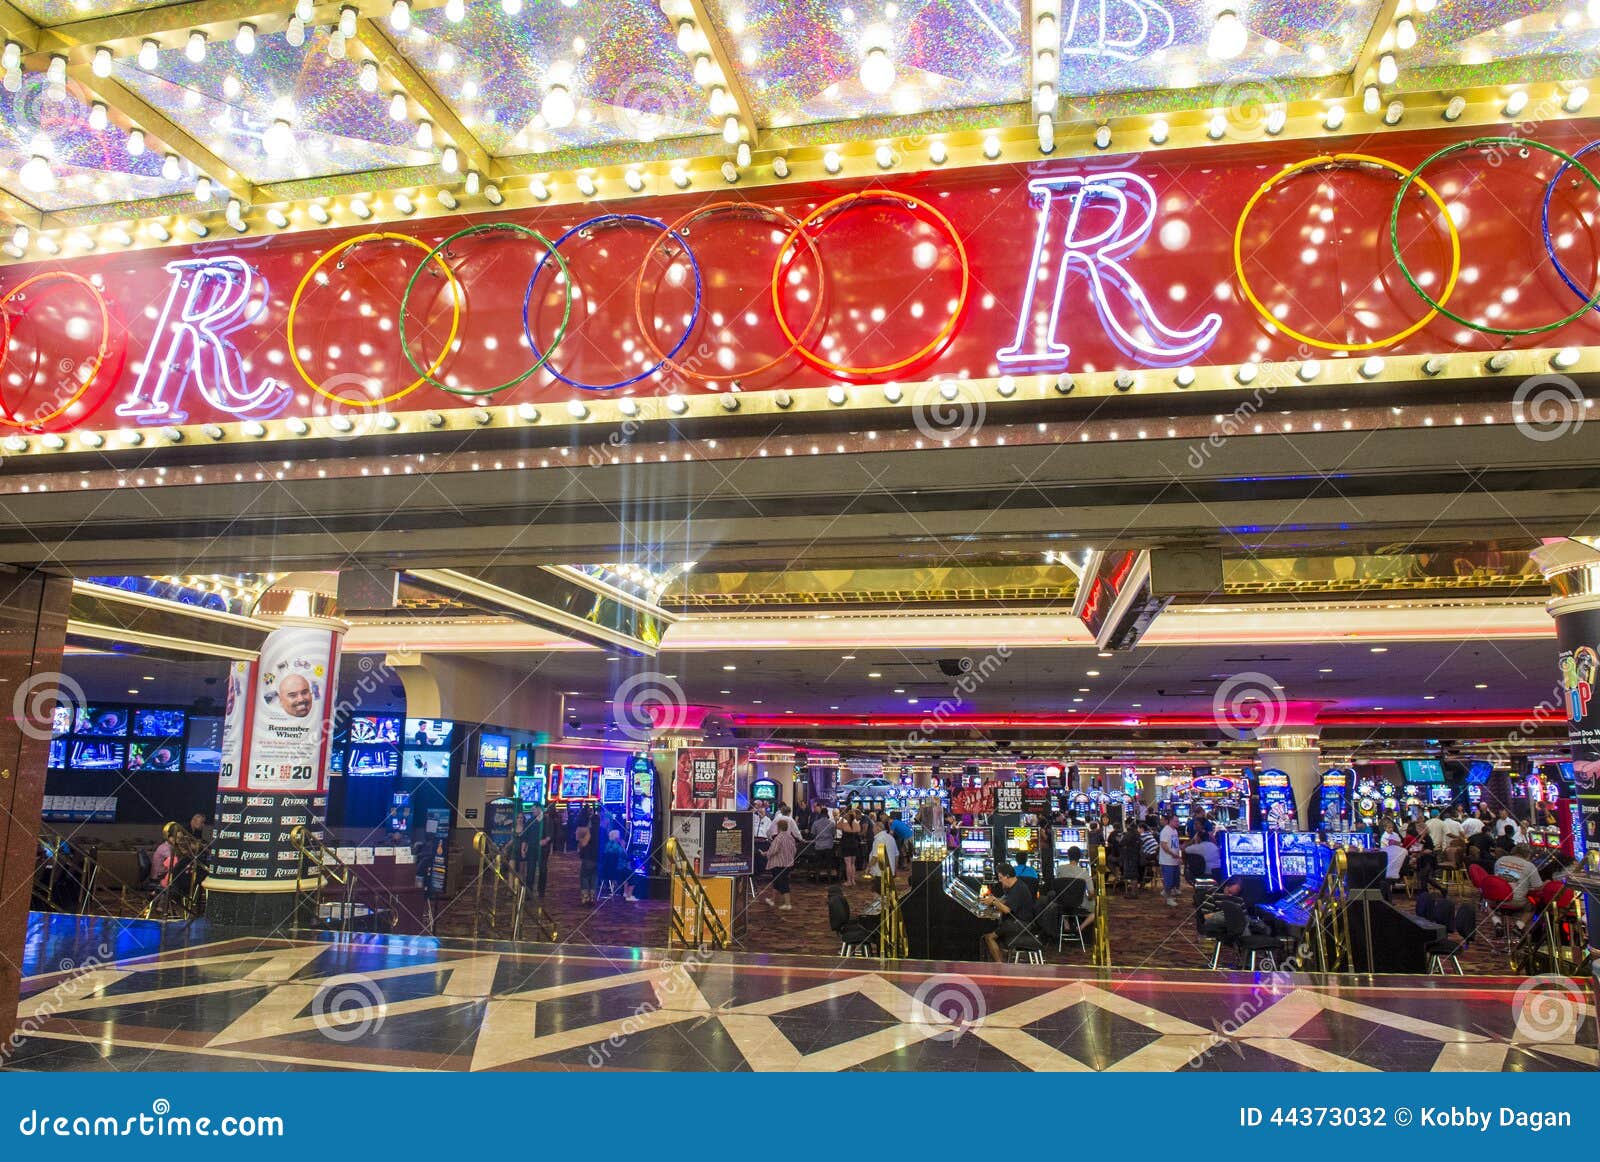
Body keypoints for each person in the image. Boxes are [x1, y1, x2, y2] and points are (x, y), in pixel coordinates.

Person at [982, 863, 1037, 963]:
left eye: (1001, 877)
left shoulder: (1018, 888)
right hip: (1017, 921)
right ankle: (1001, 957)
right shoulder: (1015, 885)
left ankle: (1000, 965)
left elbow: (1007, 909)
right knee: (993, 928)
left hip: (1021, 923)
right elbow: (1005, 901)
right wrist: (993, 900)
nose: (999, 880)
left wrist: (994, 901)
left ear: (1007, 876)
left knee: (989, 936)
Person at [761, 818, 797, 910]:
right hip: (788, 863)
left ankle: (788, 903)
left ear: (778, 828)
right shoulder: (791, 837)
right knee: (776, 882)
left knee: (782, 883)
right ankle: (772, 900)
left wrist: (766, 854)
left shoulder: (779, 838)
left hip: (779, 864)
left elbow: (773, 850)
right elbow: (794, 850)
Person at [1494, 842, 1543, 907]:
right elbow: (1538, 887)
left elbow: (1496, 877)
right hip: (1515, 901)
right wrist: (1547, 882)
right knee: (1532, 906)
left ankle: (1494, 916)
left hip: (1496, 896)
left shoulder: (1500, 859)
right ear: (1528, 854)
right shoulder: (1529, 866)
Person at [1157, 813, 1182, 906]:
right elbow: (1163, 845)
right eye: (1175, 821)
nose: (1178, 823)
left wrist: (1178, 856)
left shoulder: (1174, 831)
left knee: (1174, 881)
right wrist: (1173, 854)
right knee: (1169, 881)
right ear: (1170, 821)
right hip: (1167, 860)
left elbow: (1176, 846)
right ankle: (1168, 898)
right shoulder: (1165, 831)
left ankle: (1166, 893)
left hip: (1174, 860)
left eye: (1178, 821)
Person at [576, 809, 599, 905]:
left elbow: (584, 843)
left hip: (588, 857)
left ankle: (585, 897)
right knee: (594, 877)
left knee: (584, 876)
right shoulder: (603, 831)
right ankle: (593, 897)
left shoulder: (590, 831)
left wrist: (580, 840)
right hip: (598, 858)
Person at [1380, 820, 1408, 899]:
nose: (1391, 829)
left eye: (1392, 827)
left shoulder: (1395, 834)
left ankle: (1387, 898)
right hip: (1390, 861)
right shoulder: (1384, 837)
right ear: (1385, 828)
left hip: (1395, 860)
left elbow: (1399, 843)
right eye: (1389, 828)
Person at [600, 829, 626, 900]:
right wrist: (623, 846)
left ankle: (614, 888)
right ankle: (625, 893)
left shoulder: (607, 844)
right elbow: (624, 856)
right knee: (629, 872)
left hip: (605, 871)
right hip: (615, 871)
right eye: (619, 837)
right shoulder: (617, 846)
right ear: (617, 838)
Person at [1119, 818, 1144, 896]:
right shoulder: (1137, 833)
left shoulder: (1129, 833)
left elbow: (1122, 843)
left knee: (1133, 875)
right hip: (1136, 855)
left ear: (1127, 824)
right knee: (1134, 875)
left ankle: (1133, 893)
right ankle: (1134, 892)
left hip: (1130, 856)